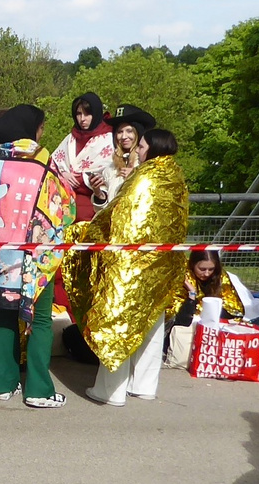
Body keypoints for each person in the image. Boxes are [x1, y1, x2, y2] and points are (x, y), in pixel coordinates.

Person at [0, 105, 77, 408]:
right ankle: (37, 389)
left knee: (3, 313)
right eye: (40, 126)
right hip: (34, 254)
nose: (42, 132)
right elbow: (63, 206)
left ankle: (2, 383)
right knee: (39, 320)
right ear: (31, 128)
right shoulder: (41, 161)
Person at [66, 127, 189, 405]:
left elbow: (118, 215)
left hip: (130, 265)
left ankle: (111, 390)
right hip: (162, 265)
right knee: (152, 323)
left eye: (143, 146)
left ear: (154, 148)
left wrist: (87, 232)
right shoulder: (175, 178)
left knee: (118, 320)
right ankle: (144, 385)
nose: (139, 150)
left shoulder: (144, 177)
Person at [49, 92, 116, 221]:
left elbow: (110, 172)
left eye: (87, 114)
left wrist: (82, 179)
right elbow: (53, 163)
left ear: (95, 114)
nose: (82, 119)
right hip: (63, 206)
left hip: (93, 207)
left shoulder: (108, 139)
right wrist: (63, 174)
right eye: (79, 114)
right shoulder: (70, 138)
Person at [109, 104, 156, 182]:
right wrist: (98, 192)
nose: (124, 137)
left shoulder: (148, 161)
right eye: (120, 132)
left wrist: (136, 175)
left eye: (129, 131)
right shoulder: (111, 165)